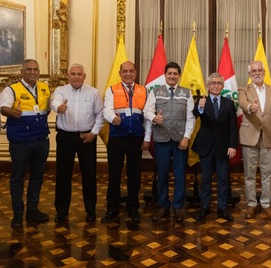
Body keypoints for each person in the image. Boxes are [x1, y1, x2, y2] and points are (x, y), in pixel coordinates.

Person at [0, 59, 51, 227]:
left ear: (39, 71)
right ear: (22, 71)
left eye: (35, 69)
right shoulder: (11, 89)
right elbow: (3, 108)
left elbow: (47, 109)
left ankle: (33, 209)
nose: (32, 72)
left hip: (41, 140)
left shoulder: (44, 88)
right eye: (28, 69)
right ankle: (18, 212)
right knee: (18, 178)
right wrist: (12, 112)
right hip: (21, 141)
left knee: (37, 176)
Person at [51, 63, 104, 223]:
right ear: (68, 76)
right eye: (72, 74)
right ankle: (61, 211)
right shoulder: (61, 91)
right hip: (65, 138)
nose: (75, 76)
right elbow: (55, 103)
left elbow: (100, 115)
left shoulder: (93, 92)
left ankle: (91, 210)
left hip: (86, 138)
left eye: (79, 74)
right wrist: (58, 108)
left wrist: (94, 133)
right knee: (63, 175)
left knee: (89, 175)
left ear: (84, 76)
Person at [144, 62, 195, 223]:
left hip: (180, 140)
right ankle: (163, 205)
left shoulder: (186, 93)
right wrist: (154, 118)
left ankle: (178, 206)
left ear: (179, 76)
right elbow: (147, 110)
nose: (172, 76)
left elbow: (191, 118)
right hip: (161, 139)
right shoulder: (155, 92)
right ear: (165, 75)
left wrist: (186, 137)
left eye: (175, 74)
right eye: (169, 73)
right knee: (163, 173)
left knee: (180, 174)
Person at [101, 61, 151, 223]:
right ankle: (112, 208)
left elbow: (148, 116)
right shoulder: (112, 90)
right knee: (114, 174)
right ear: (120, 73)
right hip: (116, 137)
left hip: (136, 137)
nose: (128, 74)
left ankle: (133, 208)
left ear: (135, 73)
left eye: (131, 71)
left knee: (134, 175)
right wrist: (112, 117)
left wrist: (147, 138)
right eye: (125, 71)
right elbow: (106, 109)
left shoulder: (143, 90)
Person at [238, 61, 271, 220]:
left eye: (260, 70)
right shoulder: (243, 89)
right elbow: (242, 103)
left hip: (269, 138)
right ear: (250, 74)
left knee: (268, 173)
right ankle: (251, 203)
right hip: (249, 137)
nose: (257, 73)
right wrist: (251, 107)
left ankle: (266, 204)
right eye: (254, 71)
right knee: (249, 174)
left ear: (264, 73)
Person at [192, 72, 238, 221]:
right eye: (213, 83)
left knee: (223, 179)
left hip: (223, 147)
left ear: (223, 86)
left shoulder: (228, 103)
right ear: (208, 86)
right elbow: (194, 114)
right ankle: (205, 207)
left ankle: (222, 208)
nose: (216, 86)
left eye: (219, 83)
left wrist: (232, 146)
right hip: (206, 146)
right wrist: (200, 107)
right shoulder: (202, 100)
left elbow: (233, 127)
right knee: (205, 178)